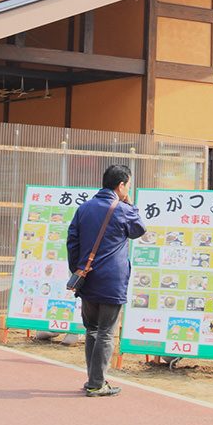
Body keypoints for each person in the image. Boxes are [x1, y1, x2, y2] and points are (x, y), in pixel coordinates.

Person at [66, 163, 145, 398]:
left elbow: (72, 240)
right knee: (106, 332)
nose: (128, 189)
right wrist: (130, 203)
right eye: (128, 185)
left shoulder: (84, 208)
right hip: (112, 280)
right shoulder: (122, 209)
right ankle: (96, 383)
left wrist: (79, 270)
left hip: (87, 278)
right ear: (121, 186)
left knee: (91, 329)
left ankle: (93, 379)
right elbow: (139, 229)